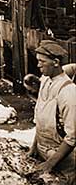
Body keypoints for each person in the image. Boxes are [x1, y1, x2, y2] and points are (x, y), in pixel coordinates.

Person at [28, 40, 75, 184]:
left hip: (62, 159)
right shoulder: (46, 81)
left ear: (55, 62)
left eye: (42, 62)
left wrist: (50, 164)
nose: (38, 65)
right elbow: (41, 117)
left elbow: (73, 136)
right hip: (44, 151)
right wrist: (34, 147)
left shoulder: (68, 91)